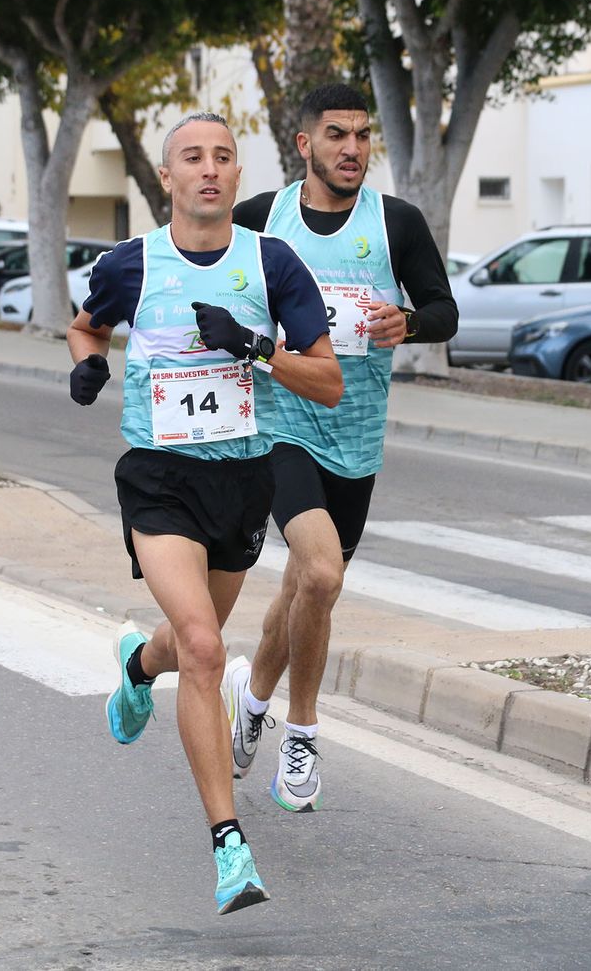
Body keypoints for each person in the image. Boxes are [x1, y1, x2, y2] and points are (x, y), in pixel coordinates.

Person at [67, 112, 341, 915]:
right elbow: (86, 329)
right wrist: (87, 367)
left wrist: (253, 348)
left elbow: (327, 381)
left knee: (188, 651)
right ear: (169, 178)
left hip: (240, 480)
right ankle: (230, 848)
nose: (211, 170)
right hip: (159, 478)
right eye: (194, 157)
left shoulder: (272, 262)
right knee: (204, 644)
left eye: (224, 157)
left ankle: (134, 670)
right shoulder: (133, 264)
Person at [224, 83, 457, 812]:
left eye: (362, 136)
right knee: (322, 576)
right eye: (336, 135)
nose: (352, 149)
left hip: (355, 437)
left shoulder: (397, 223)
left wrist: (407, 323)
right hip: (279, 425)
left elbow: (445, 310)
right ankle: (302, 737)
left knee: (301, 589)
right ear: (305, 145)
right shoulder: (264, 219)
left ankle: (250, 701)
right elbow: (208, 275)